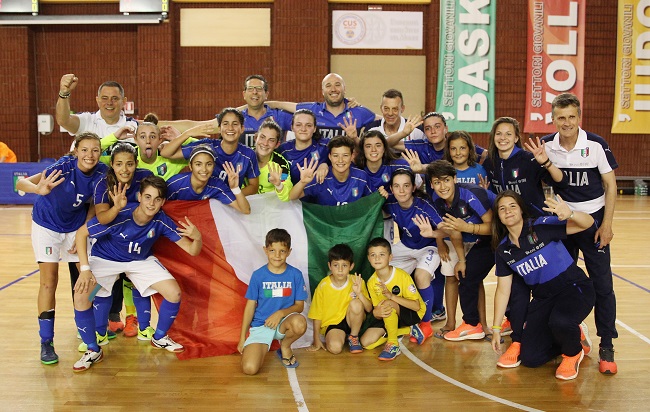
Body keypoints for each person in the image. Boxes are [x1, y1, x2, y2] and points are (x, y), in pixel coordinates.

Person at [71, 175, 203, 372]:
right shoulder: (120, 215)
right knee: (83, 297)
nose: (152, 203)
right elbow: (82, 233)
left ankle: (158, 337)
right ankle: (92, 349)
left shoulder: (161, 220)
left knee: (174, 293)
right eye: (148, 197)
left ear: (163, 202)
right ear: (139, 197)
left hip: (139, 261)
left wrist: (198, 237)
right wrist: (85, 270)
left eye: (157, 199)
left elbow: (192, 250)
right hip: (105, 259)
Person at [541, 93, 619, 375]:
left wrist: (607, 224)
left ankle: (607, 343)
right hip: (562, 222)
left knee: (602, 284)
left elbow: (610, 185)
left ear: (579, 117)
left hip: (593, 220)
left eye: (572, 117)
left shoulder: (596, 144)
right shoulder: (546, 145)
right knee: (562, 282)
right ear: (553, 119)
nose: (567, 122)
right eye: (561, 117)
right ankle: (572, 334)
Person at [56, 74, 139, 332]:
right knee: (78, 261)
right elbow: (62, 119)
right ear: (97, 100)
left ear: (124, 101)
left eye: (115, 98)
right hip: (80, 204)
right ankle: (84, 314)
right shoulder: (86, 121)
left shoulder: (133, 127)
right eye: (104, 98)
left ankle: (113, 313)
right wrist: (63, 93)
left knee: (111, 258)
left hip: (112, 202)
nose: (110, 102)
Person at [16, 132, 108, 365]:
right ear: (76, 151)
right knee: (49, 281)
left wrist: (84, 229)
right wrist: (39, 190)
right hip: (47, 226)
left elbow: (94, 206)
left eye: (95, 150)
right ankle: (46, 342)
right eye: (85, 150)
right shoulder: (63, 167)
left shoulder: (101, 173)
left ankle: (91, 327)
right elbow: (20, 183)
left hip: (75, 228)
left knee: (91, 281)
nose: (90, 155)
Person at [491, 190, 595, 380]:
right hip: (543, 298)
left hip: (573, 287)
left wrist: (571, 214)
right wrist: (496, 328)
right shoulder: (503, 250)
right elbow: (503, 290)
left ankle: (573, 353)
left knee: (560, 321)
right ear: (498, 216)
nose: (508, 211)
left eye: (513, 206)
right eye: (502, 209)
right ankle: (573, 334)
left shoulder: (540, 227)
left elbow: (587, 224)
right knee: (531, 357)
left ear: (521, 210)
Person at [377, 168, 464, 342]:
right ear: (392, 189)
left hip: (428, 247)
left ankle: (426, 325)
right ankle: (389, 317)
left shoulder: (424, 206)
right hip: (406, 246)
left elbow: (449, 231)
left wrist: (432, 233)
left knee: (421, 276)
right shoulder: (390, 203)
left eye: (406, 186)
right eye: (397, 186)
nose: (401, 190)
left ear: (413, 188)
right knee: (383, 270)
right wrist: (379, 194)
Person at [418, 160, 495, 341]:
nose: (442, 186)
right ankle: (459, 324)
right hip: (463, 239)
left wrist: (467, 228)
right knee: (461, 275)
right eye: (437, 182)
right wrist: (438, 237)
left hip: (489, 239)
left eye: (446, 180)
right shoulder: (437, 199)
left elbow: (493, 227)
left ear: (454, 179)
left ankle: (479, 325)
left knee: (471, 277)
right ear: (431, 184)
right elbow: (453, 231)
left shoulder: (471, 193)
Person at [91, 143, 153, 340]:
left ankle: (139, 323)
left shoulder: (146, 178)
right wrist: (117, 208)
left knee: (137, 281)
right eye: (119, 164)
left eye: (129, 164)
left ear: (136, 163)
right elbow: (102, 218)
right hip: (109, 241)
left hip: (138, 239)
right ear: (112, 164)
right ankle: (98, 329)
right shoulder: (103, 184)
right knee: (101, 286)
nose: (124, 169)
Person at [237, 228, 308, 375]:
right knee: (249, 369)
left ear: (289, 251)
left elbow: (300, 306)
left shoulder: (295, 274)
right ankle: (259, 349)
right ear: (265, 250)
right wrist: (242, 337)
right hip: (262, 325)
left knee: (300, 323)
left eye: (282, 251)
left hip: (284, 323)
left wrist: (280, 313)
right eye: (272, 250)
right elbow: (250, 306)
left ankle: (285, 347)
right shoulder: (258, 275)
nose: (277, 255)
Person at [160, 108, 260, 196]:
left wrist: (229, 197)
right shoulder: (207, 146)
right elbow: (166, 153)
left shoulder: (248, 154)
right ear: (219, 128)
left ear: (242, 129)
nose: (230, 128)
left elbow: (253, 186)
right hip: (204, 202)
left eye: (235, 124)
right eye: (225, 124)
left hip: (231, 205)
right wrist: (188, 133)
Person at [483, 117, 567, 216]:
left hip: (534, 220)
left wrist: (546, 162)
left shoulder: (529, 160)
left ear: (516, 138)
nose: (503, 138)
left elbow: (562, 182)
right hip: (507, 221)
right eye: (498, 134)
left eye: (508, 134)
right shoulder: (489, 163)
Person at [361, 237, 426, 361]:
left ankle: (393, 344)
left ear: (390, 257)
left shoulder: (402, 276)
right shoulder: (371, 282)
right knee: (366, 343)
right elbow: (377, 310)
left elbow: (416, 306)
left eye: (381, 254)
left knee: (388, 303)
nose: (377, 258)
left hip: (412, 313)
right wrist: (376, 312)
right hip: (389, 315)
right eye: (373, 255)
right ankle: (405, 330)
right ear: (369, 259)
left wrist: (392, 297)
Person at [266, 73, 378, 139]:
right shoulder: (312, 110)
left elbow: (387, 119)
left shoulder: (358, 111)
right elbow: (278, 104)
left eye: (337, 85)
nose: (333, 89)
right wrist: (249, 107)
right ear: (323, 91)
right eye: (328, 86)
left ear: (345, 89)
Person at [307, 244, 372, 354]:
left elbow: (369, 309)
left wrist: (359, 293)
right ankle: (342, 337)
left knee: (356, 303)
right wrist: (316, 340)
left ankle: (354, 337)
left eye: (344, 265)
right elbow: (316, 314)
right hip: (333, 323)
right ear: (329, 266)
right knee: (335, 348)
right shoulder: (323, 285)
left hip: (352, 320)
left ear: (351, 266)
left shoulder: (357, 281)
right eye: (336, 265)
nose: (340, 270)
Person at [102, 113, 194, 181]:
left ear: (160, 140)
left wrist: (184, 139)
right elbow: (90, 155)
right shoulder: (125, 158)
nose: (148, 141)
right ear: (135, 140)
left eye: (153, 136)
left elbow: (206, 150)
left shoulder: (172, 158)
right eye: (142, 137)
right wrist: (114, 137)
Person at [166, 145, 251, 214]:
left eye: (209, 164)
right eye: (198, 164)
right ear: (191, 166)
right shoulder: (174, 184)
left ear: (214, 166)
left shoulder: (217, 185)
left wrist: (235, 188)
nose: (204, 169)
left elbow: (245, 210)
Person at [289, 135, 371, 206]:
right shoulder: (321, 177)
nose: (340, 160)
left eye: (345, 155)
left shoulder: (361, 177)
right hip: (326, 224)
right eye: (335, 156)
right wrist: (303, 182)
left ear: (352, 156)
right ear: (330, 157)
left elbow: (375, 199)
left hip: (353, 223)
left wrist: (382, 192)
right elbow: (292, 197)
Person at [277, 109, 330, 185]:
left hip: (318, 196)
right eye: (298, 125)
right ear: (292, 127)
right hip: (292, 195)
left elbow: (346, 156)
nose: (303, 129)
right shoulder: (283, 150)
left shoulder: (325, 146)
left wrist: (325, 165)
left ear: (314, 128)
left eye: (308, 125)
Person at [239, 75, 293, 147]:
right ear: (244, 94)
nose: (254, 92)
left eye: (259, 88)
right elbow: (218, 124)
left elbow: (309, 116)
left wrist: (277, 104)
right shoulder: (237, 118)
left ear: (266, 94)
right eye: (250, 88)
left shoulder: (279, 116)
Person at [252, 120, 293, 200]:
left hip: (271, 209)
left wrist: (279, 185)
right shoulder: (244, 158)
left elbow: (287, 196)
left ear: (277, 144)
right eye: (262, 137)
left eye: (271, 140)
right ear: (256, 137)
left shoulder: (281, 164)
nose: (265, 143)